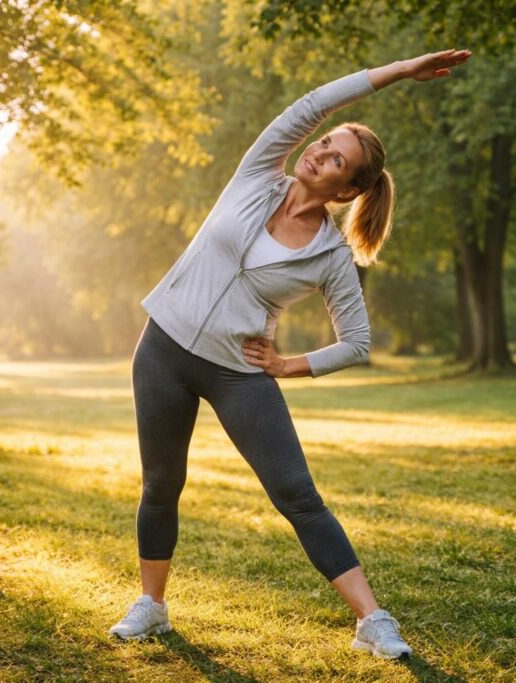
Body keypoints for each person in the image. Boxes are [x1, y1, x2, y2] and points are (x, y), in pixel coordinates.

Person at [109, 49, 472, 660]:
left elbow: (357, 343)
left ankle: (373, 621)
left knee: (297, 494)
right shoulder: (256, 176)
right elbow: (312, 104)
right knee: (161, 483)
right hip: (163, 349)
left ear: (348, 187)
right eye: (325, 143)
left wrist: (287, 365)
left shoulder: (331, 255)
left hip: (237, 373)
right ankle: (153, 607)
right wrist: (401, 70)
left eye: (337, 159)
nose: (319, 152)